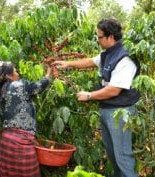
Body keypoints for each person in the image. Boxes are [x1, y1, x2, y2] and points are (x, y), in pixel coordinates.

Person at [53, 18, 140, 177]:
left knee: (123, 156)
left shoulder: (125, 58)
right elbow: (91, 62)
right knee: (113, 155)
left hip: (120, 112)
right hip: (108, 110)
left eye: (99, 37)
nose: (97, 40)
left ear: (111, 37)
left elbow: (114, 90)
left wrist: (89, 95)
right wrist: (68, 64)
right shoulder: (109, 53)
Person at [0, 61, 51, 177]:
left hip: (5, 143)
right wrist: (48, 74)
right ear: (8, 76)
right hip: (21, 144)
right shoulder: (20, 85)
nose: (17, 72)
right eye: (15, 70)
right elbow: (38, 87)